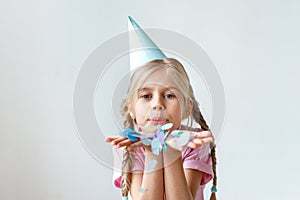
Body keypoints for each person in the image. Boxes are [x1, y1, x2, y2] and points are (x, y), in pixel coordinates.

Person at [106, 58, 217, 200]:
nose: (157, 104)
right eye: (146, 96)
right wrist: (153, 152)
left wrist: (172, 152)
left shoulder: (193, 142)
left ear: (187, 107)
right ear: (131, 109)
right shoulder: (130, 146)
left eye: (169, 95)